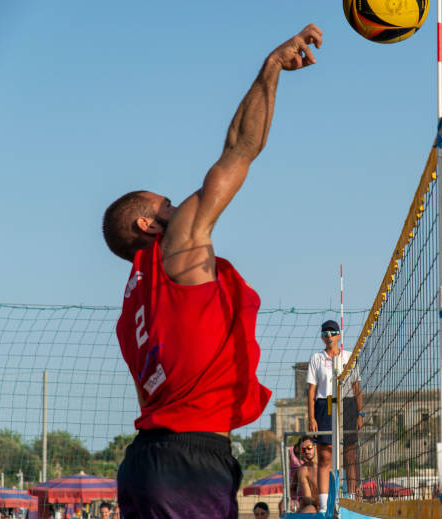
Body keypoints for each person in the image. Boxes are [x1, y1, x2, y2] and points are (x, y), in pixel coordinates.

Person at [102, 24, 323, 519]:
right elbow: (239, 151)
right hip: (189, 459)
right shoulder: (177, 245)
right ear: (147, 222)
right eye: (165, 202)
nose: (175, 202)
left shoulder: (133, 302)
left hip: (145, 461)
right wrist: (271, 69)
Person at [307, 320, 364, 512]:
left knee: (350, 453)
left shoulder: (349, 356)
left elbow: (357, 388)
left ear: (339, 335)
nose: (329, 336)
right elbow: (311, 391)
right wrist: (312, 417)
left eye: (332, 332)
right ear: (322, 336)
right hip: (326, 402)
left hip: (346, 403)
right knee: (325, 455)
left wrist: (360, 413)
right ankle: (324, 506)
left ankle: (351, 499)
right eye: (325, 333)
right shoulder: (317, 358)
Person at [294, 435, 320, 512]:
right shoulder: (303, 470)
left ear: (315, 447)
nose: (306, 451)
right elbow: (307, 497)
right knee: (308, 511)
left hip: (333, 503)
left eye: (309, 448)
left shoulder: (329, 464)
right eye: (303, 449)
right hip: (315, 505)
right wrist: (318, 502)